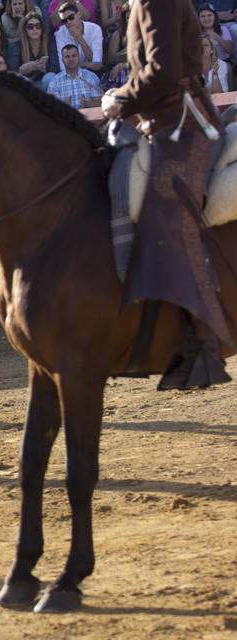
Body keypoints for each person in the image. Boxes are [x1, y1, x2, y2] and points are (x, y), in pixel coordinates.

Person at [102, 0, 231, 390]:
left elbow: (161, 73)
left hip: (185, 126)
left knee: (167, 209)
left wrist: (119, 100)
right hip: (161, 125)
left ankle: (202, 340)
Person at [47, 43, 102, 108]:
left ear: (79, 58)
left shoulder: (91, 77)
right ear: (62, 60)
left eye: (74, 56)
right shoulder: (54, 81)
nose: (71, 59)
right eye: (67, 57)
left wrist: (88, 104)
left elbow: (101, 102)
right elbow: (50, 108)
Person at [53, 1, 103, 72]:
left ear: (79, 15)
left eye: (71, 17)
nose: (68, 22)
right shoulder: (59, 34)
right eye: (64, 21)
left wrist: (80, 39)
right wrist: (85, 65)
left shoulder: (95, 29)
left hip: (92, 74)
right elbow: (63, 68)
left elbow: (97, 64)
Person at [18, 10, 59, 88]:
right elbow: (12, 70)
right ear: (25, 30)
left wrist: (41, 67)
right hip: (27, 85)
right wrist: (26, 68)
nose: (34, 29)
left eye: (38, 26)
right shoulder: (18, 44)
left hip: (45, 83)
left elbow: (55, 67)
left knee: (50, 77)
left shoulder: (50, 41)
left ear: (42, 28)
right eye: (30, 27)